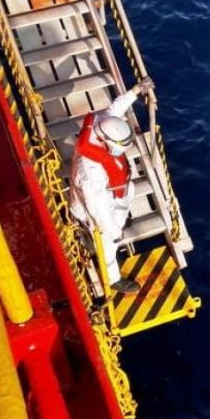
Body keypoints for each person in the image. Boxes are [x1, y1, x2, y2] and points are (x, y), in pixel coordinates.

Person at [69, 77, 154, 295]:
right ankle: (113, 279)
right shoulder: (91, 171)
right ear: (106, 143)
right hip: (100, 207)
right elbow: (98, 208)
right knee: (107, 246)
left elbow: (115, 108)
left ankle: (107, 228)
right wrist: (113, 231)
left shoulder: (102, 124)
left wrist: (135, 91)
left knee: (120, 211)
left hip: (116, 193)